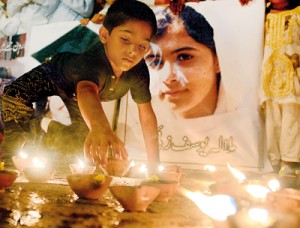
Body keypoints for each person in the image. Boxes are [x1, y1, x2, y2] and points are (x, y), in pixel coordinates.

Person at [0, 0, 160, 173]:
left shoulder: (138, 71)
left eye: (142, 46)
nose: (133, 51)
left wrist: (154, 167)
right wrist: (101, 127)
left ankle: (51, 133)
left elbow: (146, 117)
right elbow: (86, 90)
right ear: (105, 35)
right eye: (125, 39)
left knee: (80, 146)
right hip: (57, 75)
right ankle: (10, 161)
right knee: (13, 98)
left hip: (79, 97)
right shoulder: (91, 61)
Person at [144, 6, 221, 119]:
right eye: (155, 62)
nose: (168, 77)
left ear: (217, 60)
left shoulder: (249, 122)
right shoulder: (133, 126)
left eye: (184, 57)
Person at [259, 0, 300, 174]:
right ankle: (273, 162)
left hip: (292, 75)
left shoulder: (298, 12)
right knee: (271, 118)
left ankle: (290, 162)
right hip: (268, 75)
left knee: (292, 117)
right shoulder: (260, 14)